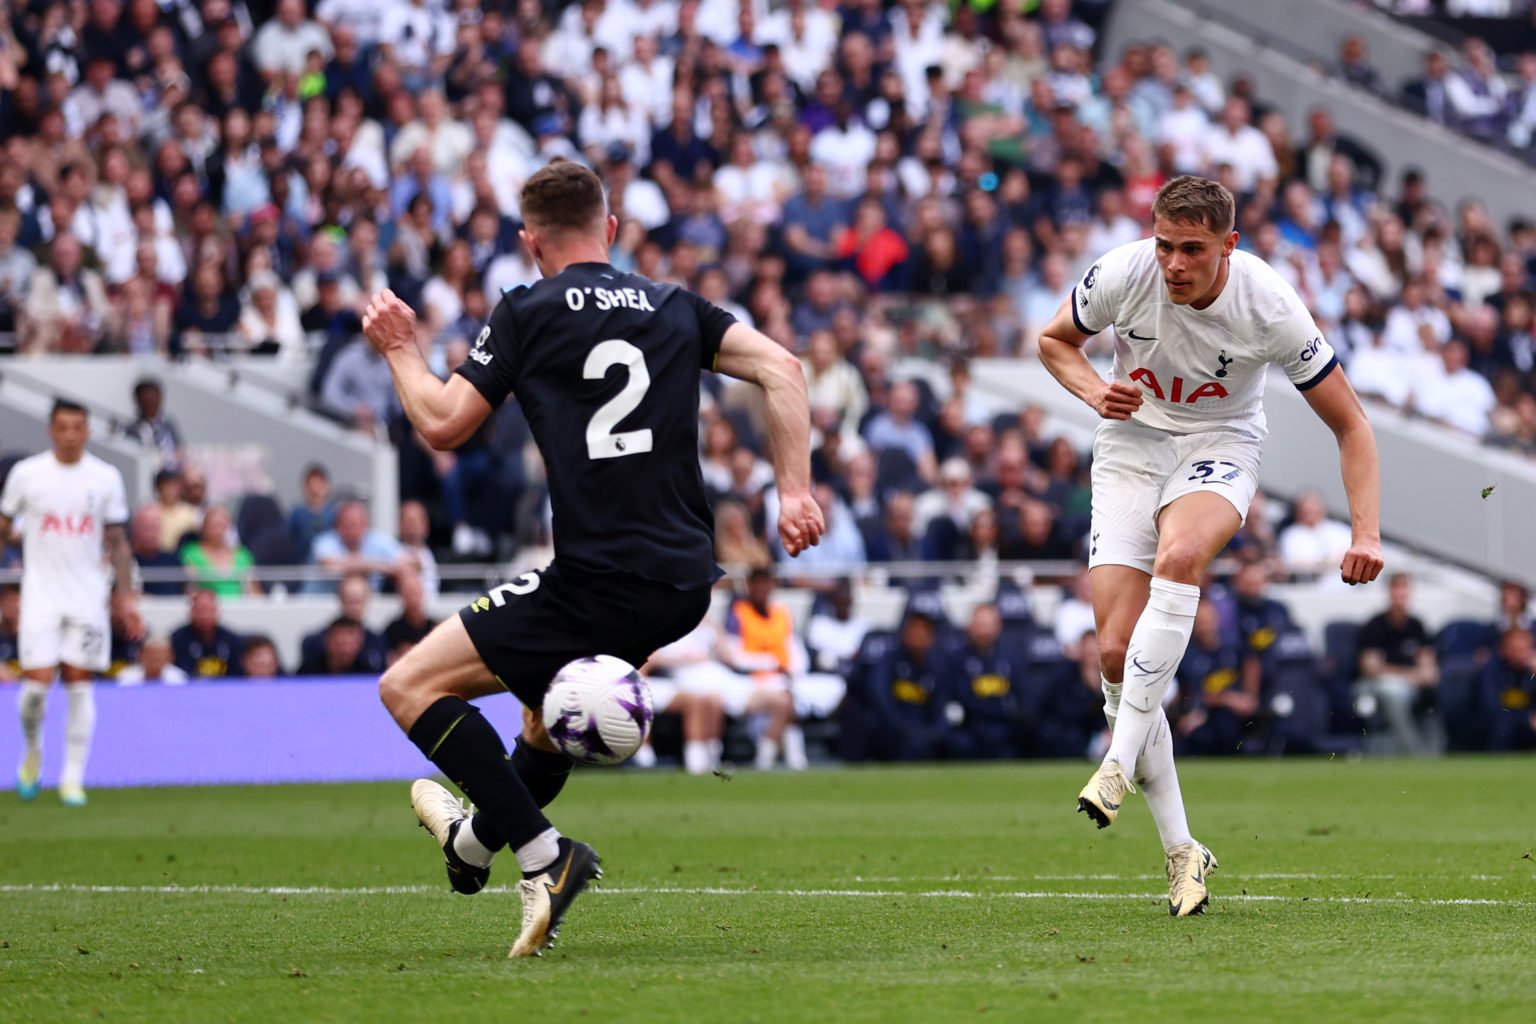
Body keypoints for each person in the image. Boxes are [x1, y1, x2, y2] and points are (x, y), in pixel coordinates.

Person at [362, 161, 823, 958]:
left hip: (594, 576)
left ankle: (546, 858)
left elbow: (441, 423)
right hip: (682, 583)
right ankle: (472, 848)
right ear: (611, 230)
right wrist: (795, 493)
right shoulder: (675, 305)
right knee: (542, 722)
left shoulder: (528, 310)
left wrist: (400, 348)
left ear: (529, 242)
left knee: (407, 685)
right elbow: (784, 368)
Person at [1038, 175, 1383, 917]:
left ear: (1229, 245)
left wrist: (1365, 531)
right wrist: (1096, 392)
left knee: (1181, 559)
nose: (1173, 263)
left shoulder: (1270, 303)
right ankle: (1182, 852)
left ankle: (1116, 763)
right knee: (1112, 655)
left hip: (1221, 444)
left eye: (1191, 249)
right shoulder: (1124, 272)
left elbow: (1351, 423)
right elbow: (1052, 341)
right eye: (1165, 244)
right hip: (1130, 445)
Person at [0, 400, 135, 806]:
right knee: (35, 689)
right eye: (63, 427)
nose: (71, 434)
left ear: (88, 431)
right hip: (40, 595)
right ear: (51, 430)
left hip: (88, 597)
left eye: (78, 427)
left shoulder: (106, 477)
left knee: (79, 684)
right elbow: (5, 525)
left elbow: (117, 540)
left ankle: (72, 779)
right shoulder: (27, 475)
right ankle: (33, 751)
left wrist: (125, 596)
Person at [1355, 574, 1439, 756]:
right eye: (1396, 592)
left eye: (1404, 592)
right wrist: (1408, 675)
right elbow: (1371, 669)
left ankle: (1439, 747)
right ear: (1389, 593)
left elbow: (1429, 669)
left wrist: (1419, 675)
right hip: (1375, 686)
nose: (1400, 597)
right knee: (1392, 691)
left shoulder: (1417, 625)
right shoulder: (1375, 625)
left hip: (1410, 685)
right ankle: (1413, 751)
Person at [170, 589, 245, 679]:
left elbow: (237, 673)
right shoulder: (177, 639)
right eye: (200, 611)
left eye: (209, 610)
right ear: (191, 612)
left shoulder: (232, 639)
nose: (205, 616)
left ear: (218, 611)